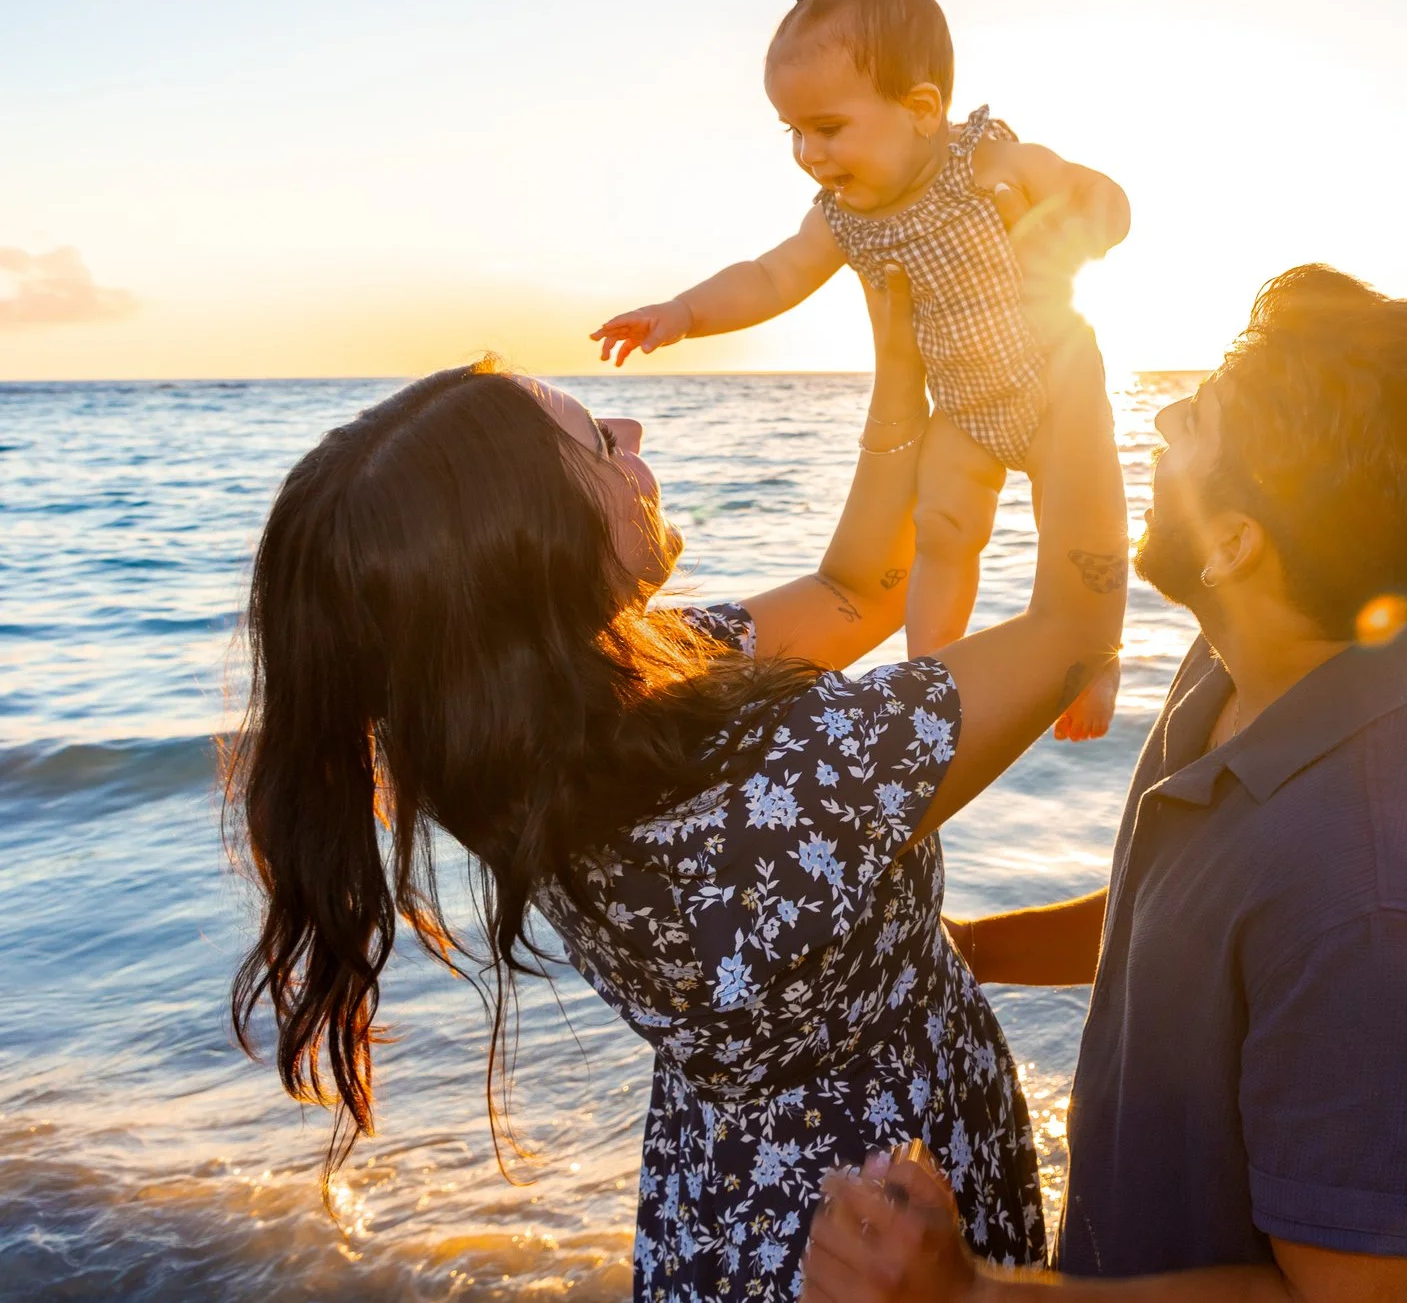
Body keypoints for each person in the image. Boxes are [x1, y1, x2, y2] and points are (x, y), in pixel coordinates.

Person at [224, 236, 1128, 1303]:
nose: (632, 428)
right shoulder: (785, 787)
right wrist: (1063, 351)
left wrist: (896, 340)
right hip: (870, 1232)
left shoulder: (536, 725)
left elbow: (855, 591)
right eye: (599, 446)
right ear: (543, 556)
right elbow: (1073, 619)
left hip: (728, 1200)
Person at [804, 265, 1407, 1303]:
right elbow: (1180, 926)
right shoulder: (1250, 664)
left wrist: (970, 1296)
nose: (1168, 417)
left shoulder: (1376, 900)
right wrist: (963, 952)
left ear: (1237, 541)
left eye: (1204, 418)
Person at [591, 0, 1131, 739]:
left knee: (1082, 518)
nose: (810, 153)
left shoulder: (985, 162)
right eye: (794, 132)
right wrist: (683, 312)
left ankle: (1095, 654)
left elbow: (1095, 193)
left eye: (828, 128)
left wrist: (1087, 226)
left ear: (921, 108)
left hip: (1053, 386)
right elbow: (771, 275)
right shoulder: (843, 217)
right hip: (964, 409)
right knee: (943, 529)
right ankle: (929, 679)